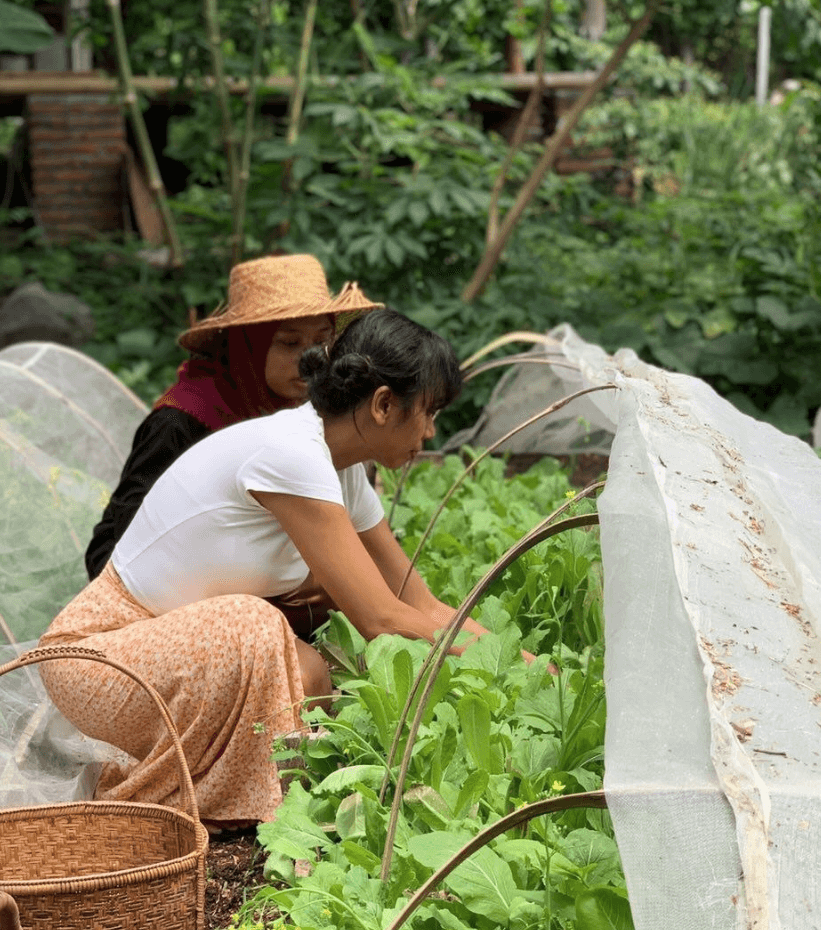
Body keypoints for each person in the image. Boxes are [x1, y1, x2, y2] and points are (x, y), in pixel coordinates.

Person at [39, 309, 487, 830]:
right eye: (428, 413)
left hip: (165, 654)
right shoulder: (291, 451)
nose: (431, 432)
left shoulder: (342, 471)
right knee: (254, 625)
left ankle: (213, 800)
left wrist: (513, 658)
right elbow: (381, 619)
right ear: (384, 404)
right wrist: (498, 663)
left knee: (309, 675)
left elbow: (420, 603)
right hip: (99, 654)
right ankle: (135, 797)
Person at [84, 253, 381, 589]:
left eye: (322, 341)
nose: (311, 358)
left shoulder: (317, 417)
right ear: (248, 347)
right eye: (290, 343)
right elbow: (122, 547)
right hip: (168, 598)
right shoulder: (182, 422)